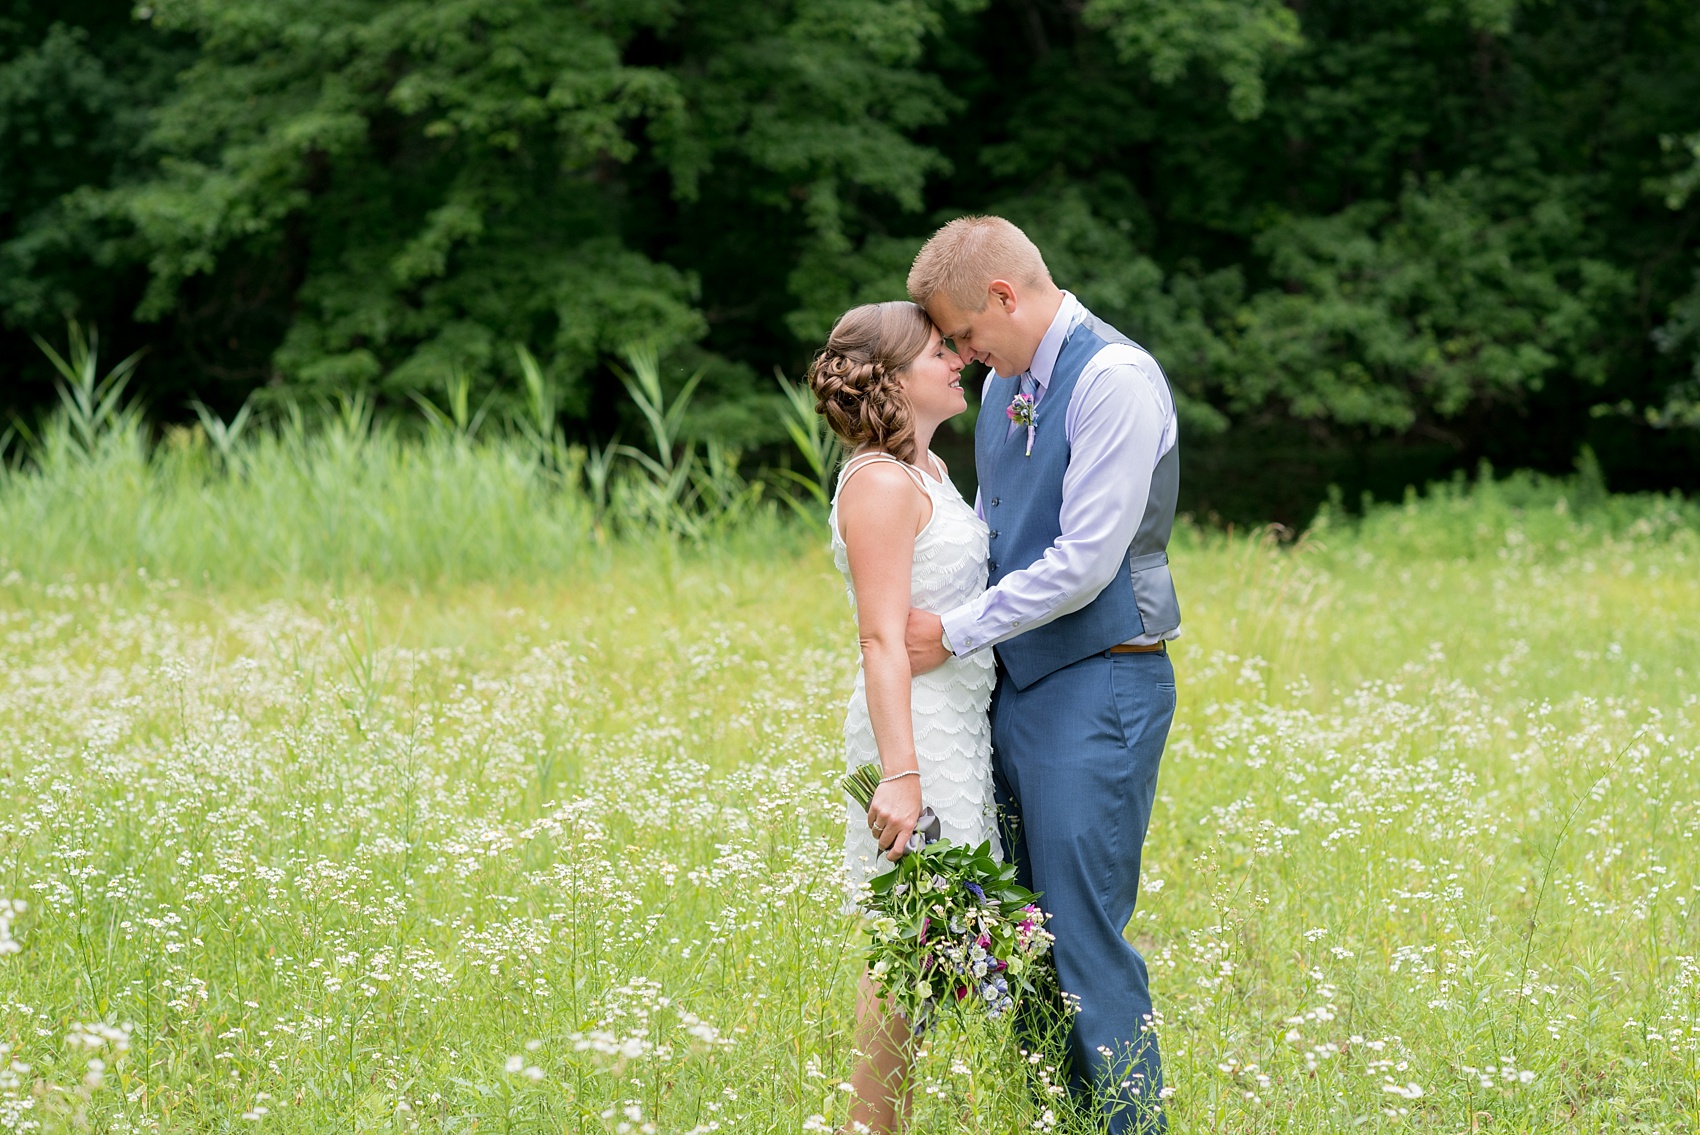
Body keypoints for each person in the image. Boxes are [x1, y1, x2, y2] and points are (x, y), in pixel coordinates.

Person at [902, 216, 1182, 1132]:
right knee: (1022, 938)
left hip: (1101, 680)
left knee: (1082, 934)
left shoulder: (1115, 380)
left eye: (968, 336)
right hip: (1014, 688)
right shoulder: (1004, 391)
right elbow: (994, 529)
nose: (968, 358)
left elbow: (1087, 561)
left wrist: (954, 631)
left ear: (1004, 297)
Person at [809, 300, 999, 1135]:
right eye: (937, 351)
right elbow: (881, 639)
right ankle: (870, 1126)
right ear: (892, 378)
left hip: (956, 719)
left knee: (939, 941)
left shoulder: (930, 472)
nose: (958, 357)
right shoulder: (880, 482)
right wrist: (902, 771)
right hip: (912, 728)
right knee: (907, 941)